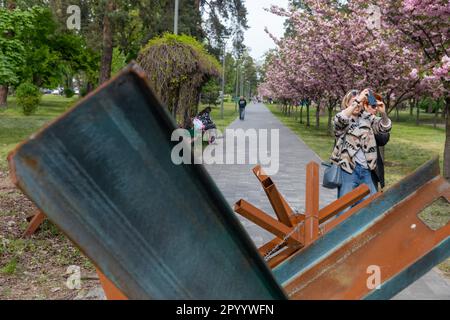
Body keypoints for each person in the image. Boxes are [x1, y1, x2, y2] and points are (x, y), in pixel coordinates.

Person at [331, 89, 392, 203]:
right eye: (354, 101)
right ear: (347, 103)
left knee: (371, 206)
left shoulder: (367, 118)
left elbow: (384, 128)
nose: (358, 104)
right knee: (345, 207)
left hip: (367, 170)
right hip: (348, 170)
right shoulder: (343, 118)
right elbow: (339, 121)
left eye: (360, 101)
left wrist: (383, 113)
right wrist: (358, 100)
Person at [363, 98, 390, 191]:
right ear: (365, 106)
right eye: (373, 106)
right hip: (353, 170)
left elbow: (383, 139)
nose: (376, 109)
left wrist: (383, 114)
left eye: (378, 106)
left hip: (372, 170)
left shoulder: (378, 123)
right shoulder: (355, 120)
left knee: (370, 200)